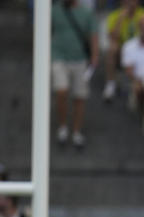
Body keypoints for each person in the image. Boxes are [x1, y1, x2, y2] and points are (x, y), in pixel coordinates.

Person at [51, 0, 98, 148]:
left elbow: (93, 34)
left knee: (79, 96)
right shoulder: (54, 10)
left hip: (80, 59)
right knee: (61, 91)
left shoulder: (86, 12)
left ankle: (76, 131)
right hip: (58, 57)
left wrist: (95, 55)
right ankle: (63, 127)